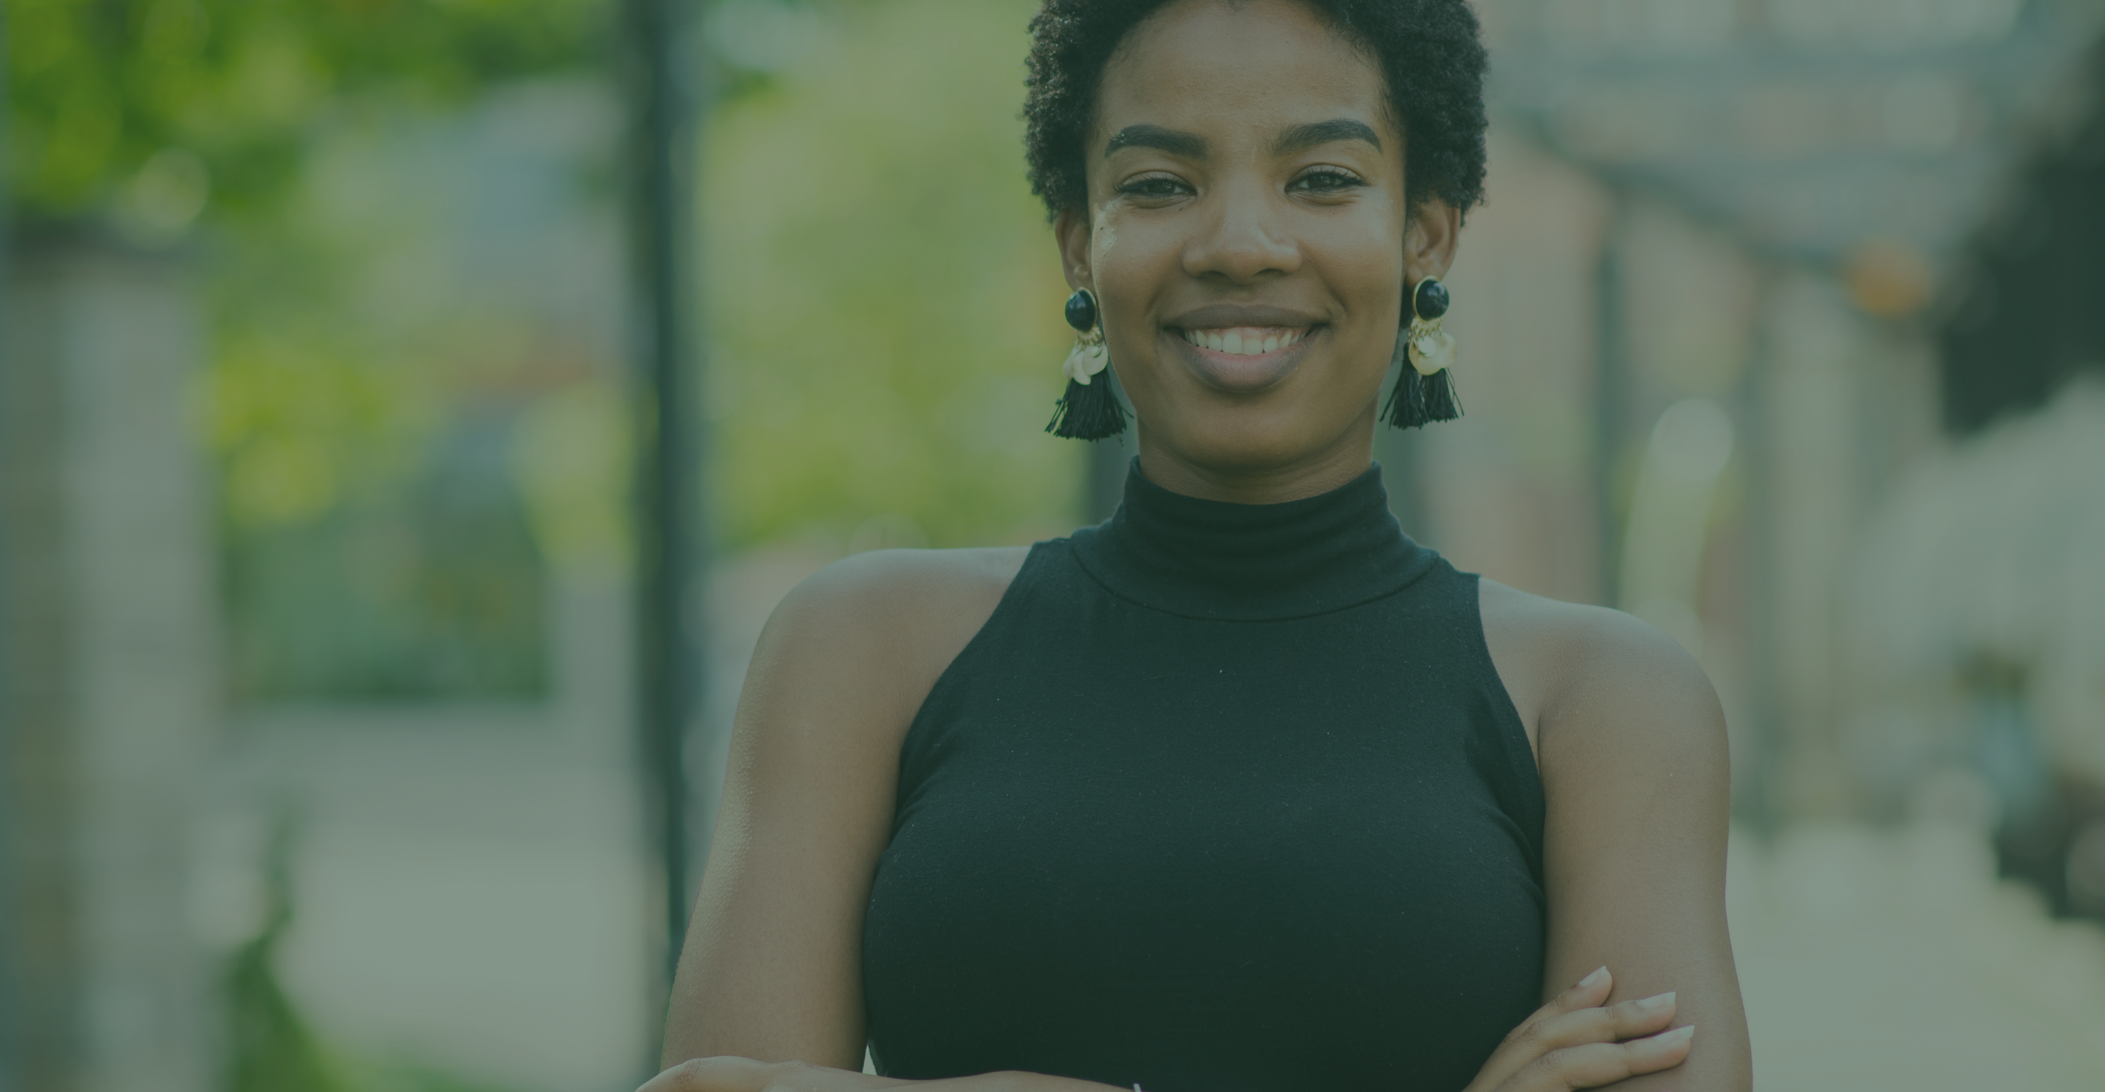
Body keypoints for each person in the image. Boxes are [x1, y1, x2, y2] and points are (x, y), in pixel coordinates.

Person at [640, 2, 1749, 1090]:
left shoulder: (1602, 703)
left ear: (1426, 230)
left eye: (1321, 178)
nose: (1239, 245)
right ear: (1078, 240)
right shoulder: (859, 652)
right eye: (1158, 185)